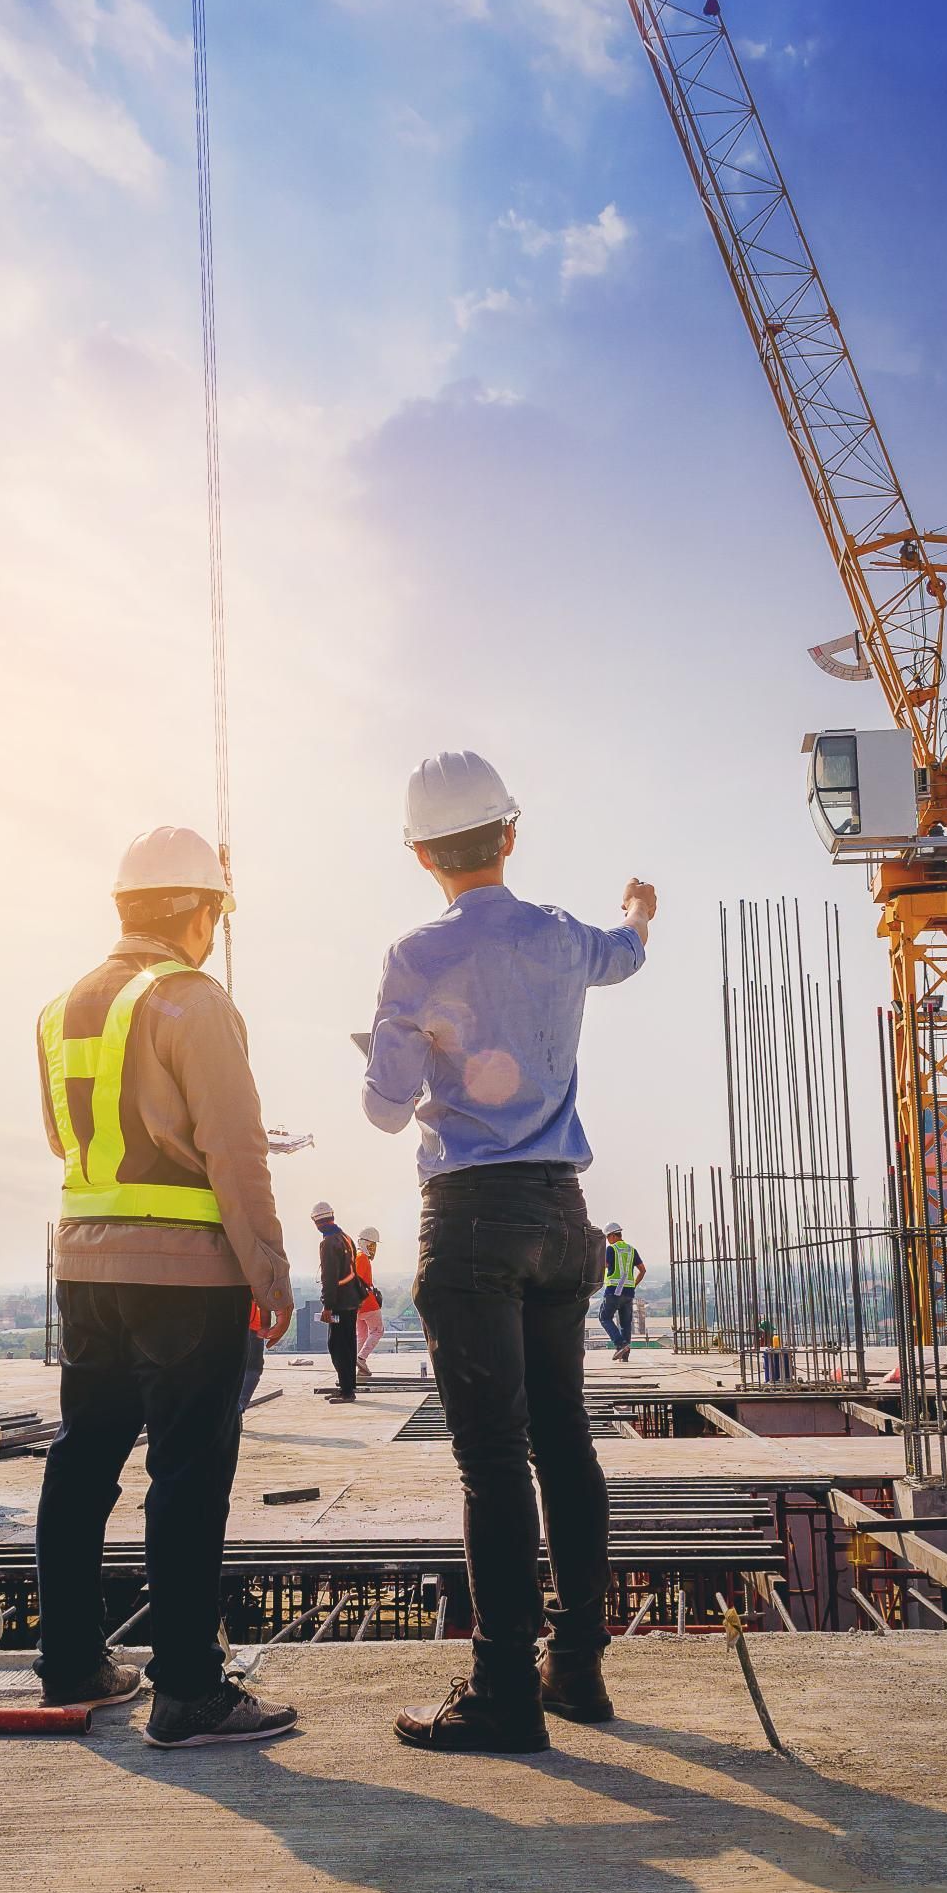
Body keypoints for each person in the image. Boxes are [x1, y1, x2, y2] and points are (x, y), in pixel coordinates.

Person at [362, 749, 656, 1754]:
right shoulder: (564, 937)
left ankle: (501, 1690)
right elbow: (626, 951)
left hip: (472, 1216)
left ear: (421, 855)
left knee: (492, 1461)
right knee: (563, 1442)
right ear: (510, 835)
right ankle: (575, 1667)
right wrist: (638, 911)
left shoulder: (415, 955)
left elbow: (385, 1107)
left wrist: (397, 1050)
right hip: (562, 1214)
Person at [35, 824, 297, 1747]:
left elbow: (65, 1139)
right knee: (186, 1473)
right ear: (197, 911)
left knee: (82, 1461)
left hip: (84, 1267)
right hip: (185, 1276)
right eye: (216, 914)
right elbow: (234, 1148)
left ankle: (71, 1662)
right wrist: (268, 1270)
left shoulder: (61, 1007)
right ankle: (187, 1690)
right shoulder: (193, 1000)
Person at [312, 1201, 363, 1400]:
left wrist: (327, 1306)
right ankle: (347, 1387)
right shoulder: (345, 1238)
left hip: (340, 1303)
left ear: (316, 1222)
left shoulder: (328, 1243)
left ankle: (346, 1391)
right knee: (348, 1344)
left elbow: (329, 1277)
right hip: (351, 1299)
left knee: (337, 1346)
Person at [598, 1224, 645, 1363]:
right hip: (629, 1293)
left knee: (604, 1317)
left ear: (613, 1235)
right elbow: (642, 1270)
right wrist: (633, 1284)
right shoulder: (631, 1250)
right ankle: (625, 1356)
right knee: (625, 1324)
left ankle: (620, 1344)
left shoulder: (611, 1249)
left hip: (613, 1291)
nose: (608, 1240)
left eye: (608, 1237)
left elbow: (603, 1266)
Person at [354, 1226, 385, 1378]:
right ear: (364, 1243)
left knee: (362, 1335)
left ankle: (358, 1365)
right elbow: (358, 1282)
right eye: (371, 1245)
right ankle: (361, 1358)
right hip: (367, 1303)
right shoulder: (362, 1258)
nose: (373, 1249)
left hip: (357, 1306)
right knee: (378, 1331)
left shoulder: (355, 1256)